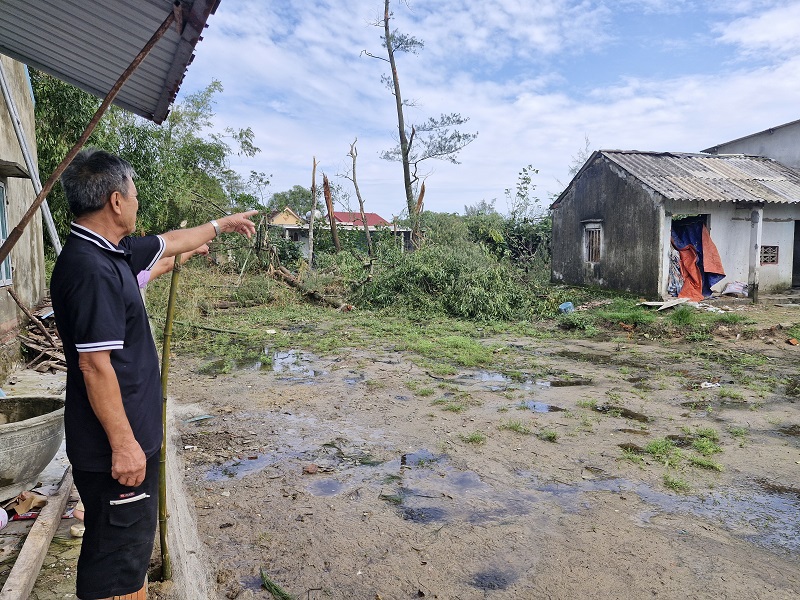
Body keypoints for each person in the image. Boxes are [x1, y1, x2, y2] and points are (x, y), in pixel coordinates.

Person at [50, 148, 256, 600]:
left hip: (130, 441)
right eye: (135, 195)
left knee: (125, 555)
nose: (138, 203)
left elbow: (171, 241)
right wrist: (125, 446)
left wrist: (222, 224)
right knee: (116, 565)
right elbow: (94, 365)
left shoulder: (111, 252)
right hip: (114, 453)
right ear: (116, 201)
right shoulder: (91, 270)